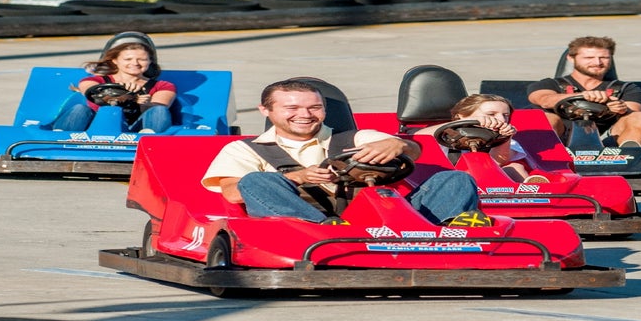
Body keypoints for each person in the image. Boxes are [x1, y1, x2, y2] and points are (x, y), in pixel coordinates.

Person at [201, 79, 491, 227]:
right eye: (292, 108)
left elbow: (413, 149)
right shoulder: (246, 148)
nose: (305, 115)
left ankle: (447, 235)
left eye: (314, 108)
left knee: (455, 180)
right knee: (254, 180)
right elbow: (232, 193)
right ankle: (323, 231)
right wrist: (298, 177)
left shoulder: (352, 137)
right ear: (266, 111)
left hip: (375, 218)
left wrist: (399, 145)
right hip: (305, 222)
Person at [526, 36, 641, 147]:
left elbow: (635, 110)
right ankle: (545, 155)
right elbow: (544, 100)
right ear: (571, 58)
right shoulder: (549, 84)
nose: (597, 62)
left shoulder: (626, 88)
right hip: (562, 137)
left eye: (604, 57)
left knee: (640, 117)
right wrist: (583, 96)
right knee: (545, 118)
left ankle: (629, 154)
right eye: (589, 57)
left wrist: (619, 107)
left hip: (608, 138)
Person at [415, 94, 548, 184]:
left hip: (490, 181)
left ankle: (530, 192)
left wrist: (505, 138)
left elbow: (500, 161)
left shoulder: (505, 138)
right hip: (452, 179)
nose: (501, 119)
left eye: (505, 115)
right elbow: (419, 137)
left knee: (515, 167)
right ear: (461, 116)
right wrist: (472, 121)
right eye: (491, 114)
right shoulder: (445, 135)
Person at [53, 35, 174, 133]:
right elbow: (89, 90)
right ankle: (61, 135)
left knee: (159, 110)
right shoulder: (95, 81)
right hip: (95, 125)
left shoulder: (164, 86)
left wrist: (144, 103)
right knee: (80, 109)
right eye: (128, 59)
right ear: (115, 60)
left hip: (135, 128)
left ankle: (148, 139)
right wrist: (124, 95)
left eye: (142, 59)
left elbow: (161, 107)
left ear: (149, 61)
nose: (135, 63)